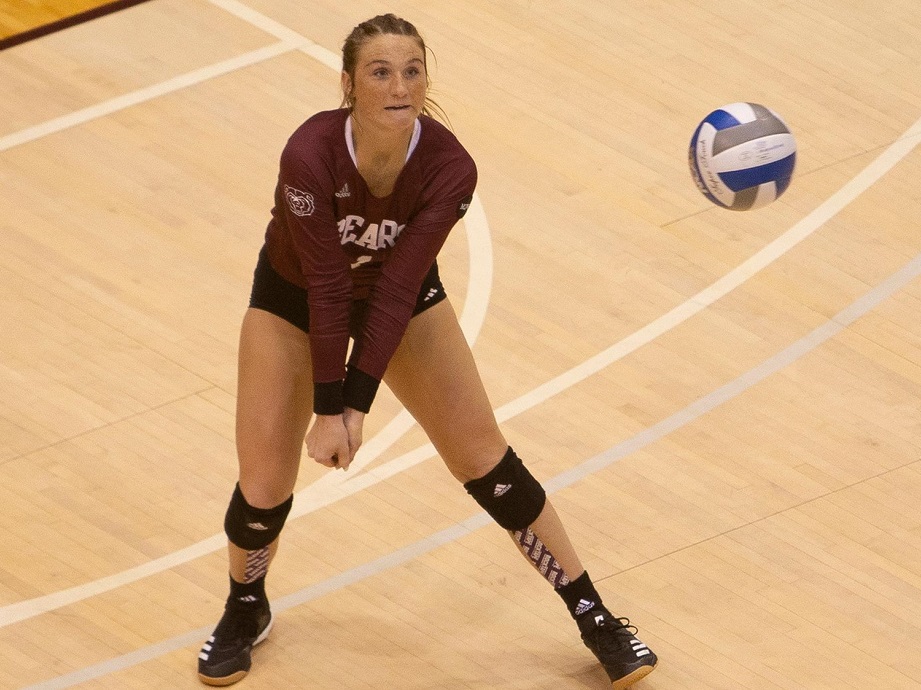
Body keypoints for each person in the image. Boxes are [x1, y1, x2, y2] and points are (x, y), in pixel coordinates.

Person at [197, 13, 657, 689]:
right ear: (349, 84)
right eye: (380, 71)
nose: (399, 85)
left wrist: (354, 406)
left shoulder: (448, 167)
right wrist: (330, 410)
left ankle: (593, 615)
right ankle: (244, 607)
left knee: (485, 460)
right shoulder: (309, 154)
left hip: (400, 299)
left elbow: (397, 287)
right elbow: (327, 285)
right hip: (293, 298)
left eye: (412, 70)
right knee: (264, 484)